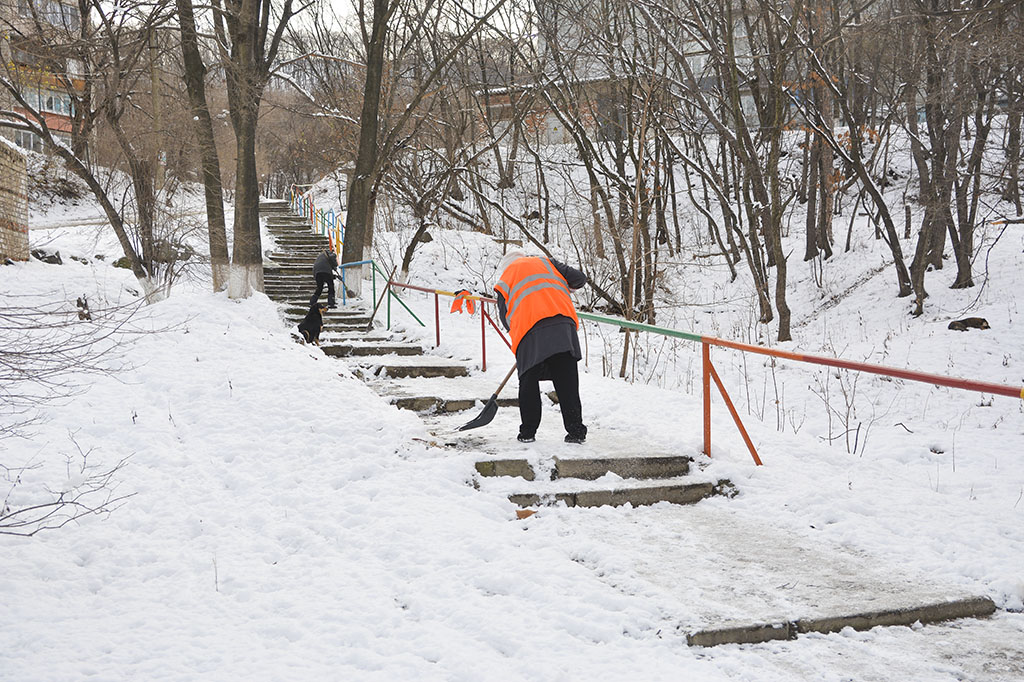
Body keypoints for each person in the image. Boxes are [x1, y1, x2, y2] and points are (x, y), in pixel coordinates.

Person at [493, 250, 588, 444]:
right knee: (567, 382)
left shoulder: (505, 280)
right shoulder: (547, 263)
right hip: (563, 326)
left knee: (528, 381)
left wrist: (522, 336)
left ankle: (528, 432)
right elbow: (579, 278)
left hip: (529, 331)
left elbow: (505, 318)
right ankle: (576, 431)